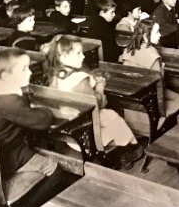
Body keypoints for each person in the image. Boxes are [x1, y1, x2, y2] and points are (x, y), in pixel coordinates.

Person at [0, 48, 72, 207]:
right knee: (56, 171)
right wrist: (48, 110)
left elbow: (22, 109)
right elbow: (42, 121)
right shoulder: (10, 101)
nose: (29, 72)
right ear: (5, 75)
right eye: (23, 69)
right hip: (8, 155)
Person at [43, 35, 142, 167]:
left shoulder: (53, 75)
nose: (83, 56)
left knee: (109, 118)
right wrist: (100, 88)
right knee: (112, 116)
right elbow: (98, 104)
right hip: (86, 132)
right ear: (63, 57)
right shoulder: (80, 80)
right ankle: (125, 152)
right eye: (78, 53)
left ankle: (120, 146)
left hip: (68, 128)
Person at [119, 19, 179, 116]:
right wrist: (162, 68)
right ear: (145, 36)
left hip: (134, 96)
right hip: (151, 98)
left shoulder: (128, 49)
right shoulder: (152, 53)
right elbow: (160, 84)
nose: (159, 35)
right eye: (156, 32)